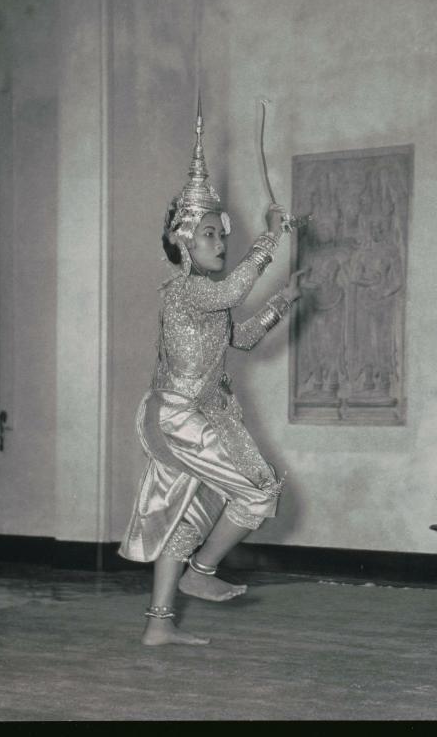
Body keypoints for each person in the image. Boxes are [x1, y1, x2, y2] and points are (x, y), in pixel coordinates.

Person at [118, 105, 305, 647]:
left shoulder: (205, 298)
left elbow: (238, 337)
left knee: (189, 513)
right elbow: (226, 293)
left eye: (220, 234)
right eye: (207, 235)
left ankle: (158, 625)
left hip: (179, 415)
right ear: (183, 243)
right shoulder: (186, 290)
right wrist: (269, 242)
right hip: (180, 417)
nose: (219, 243)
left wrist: (281, 304)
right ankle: (202, 574)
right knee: (260, 490)